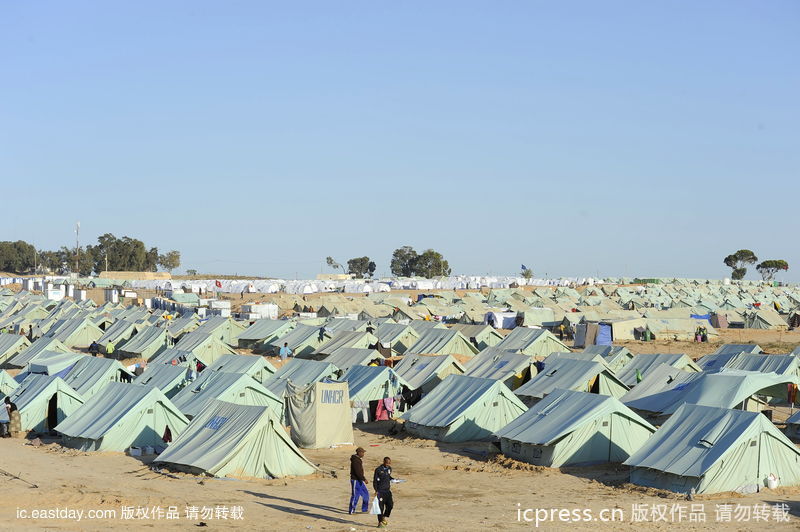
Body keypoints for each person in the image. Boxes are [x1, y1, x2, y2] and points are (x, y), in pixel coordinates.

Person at [373, 456, 394, 528]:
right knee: (380, 508)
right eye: (387, 463)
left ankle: (384, 516)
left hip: (387, 491)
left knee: (390, 505)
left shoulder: (389, 469)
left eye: (389, 463)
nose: (388, 464)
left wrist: (394, 479)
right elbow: (375, 481)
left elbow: (388, 477)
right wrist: (376, 490)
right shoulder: (378, 470)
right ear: (384, 462)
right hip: (380, 491)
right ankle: (380, 522)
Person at [348, 447, 369, 514]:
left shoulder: (358, 459)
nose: (363, 454)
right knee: (355, 496)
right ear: (359, 453)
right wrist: (364, 479)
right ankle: (352, 510)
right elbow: (357, 472)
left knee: (366, 494)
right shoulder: (355, 460)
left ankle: (364, 509)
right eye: (362, 452)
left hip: (360, 480)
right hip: (355, 480)